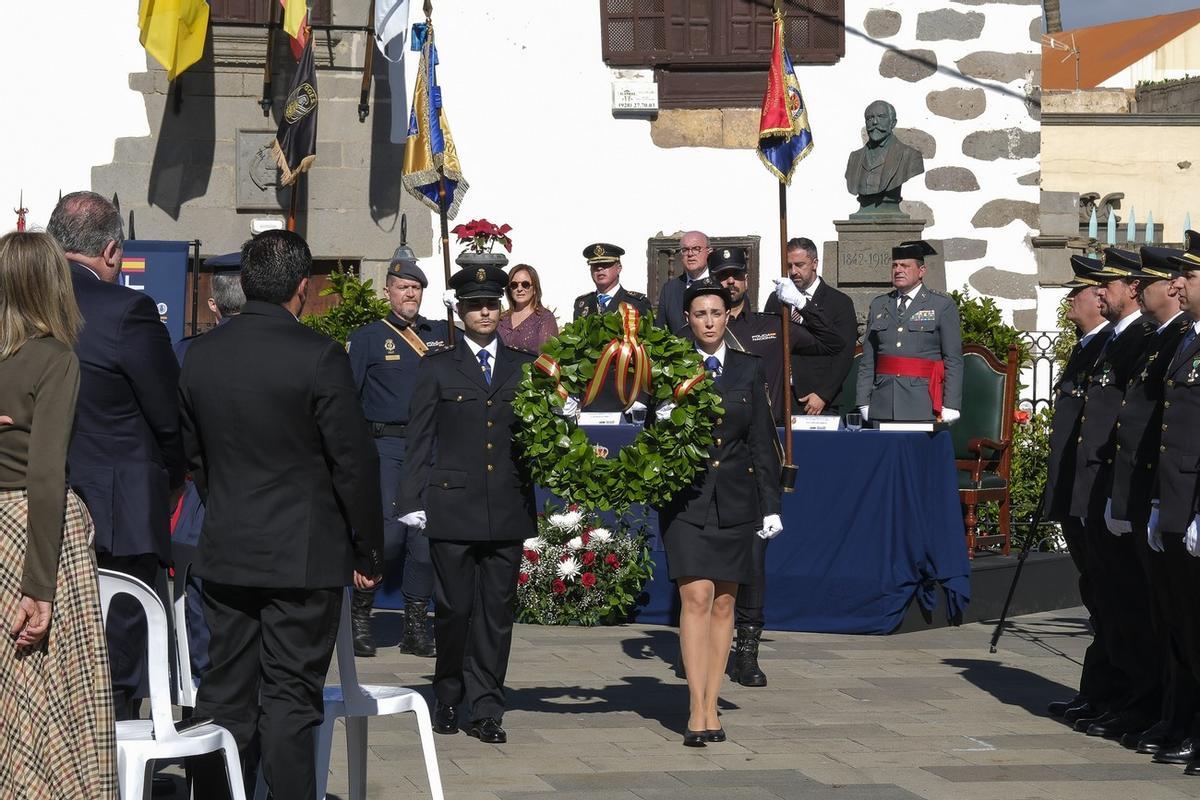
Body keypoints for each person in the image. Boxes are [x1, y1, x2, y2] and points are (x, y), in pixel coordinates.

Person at [179, 230, 384, 799]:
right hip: (304, 555)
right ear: (302, 288)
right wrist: (368, 548)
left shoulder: (200, 356)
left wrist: (228, 509)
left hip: (228, 548)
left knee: (225, 692)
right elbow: (353, 463)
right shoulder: (319, 355)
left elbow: (195, 458)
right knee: (292, 698)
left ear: (244, 284)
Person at [47, 190, 186, 720]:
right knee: (115, 661)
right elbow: (168, 413)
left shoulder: (17, 304)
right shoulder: (127, 309)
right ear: (111, 252)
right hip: (117, 514)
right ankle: (120, 774)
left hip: (36, 506)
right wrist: (173, 477)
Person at [396, 264, 538, 745]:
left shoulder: (525, 366)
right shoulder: (438, 365)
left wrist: (564, 410)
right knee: (454, 609)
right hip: (452, 507)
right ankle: (449, 694)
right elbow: (420, 438)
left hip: (506, 508)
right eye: (475, 304)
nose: (484, 312)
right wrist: (410, 498)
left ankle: (486, 707)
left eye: (491, 304)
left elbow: (541, 438)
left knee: (496, 614)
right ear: (460, 310)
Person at [0, 231, 116, 798]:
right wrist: (39, 589)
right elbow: (46, 475)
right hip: (36, 536)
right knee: (50, 698)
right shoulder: (55, 358)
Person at [656, 279, 782, 746]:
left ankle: (713, 705)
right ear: (687, 319)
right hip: (687, 500)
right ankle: (696, 707)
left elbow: (761, 442)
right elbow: (650, 429)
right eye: (699, 314)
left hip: (736, 500)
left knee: (726, 601)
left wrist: (771, 505)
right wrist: (660, 414)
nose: (709, 321)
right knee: (695, 597)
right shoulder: (671, 364)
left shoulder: (748, 370)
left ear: (728, 316)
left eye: (716, 313)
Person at [1106, 246, 1194, 755]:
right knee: (1167, 615)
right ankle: (1171, 715)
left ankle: (1182, 718)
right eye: (1175, 278)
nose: (1178, 286)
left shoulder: (1177, 339)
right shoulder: (1171, 343)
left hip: (1179, 496)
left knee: (1183, 616)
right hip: (1158, 494)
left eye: (1186, 277)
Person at [1068, 248, 1159, 741]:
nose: (1100, 293)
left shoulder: (1141, 340)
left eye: (1110, 284)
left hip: (1121, 491)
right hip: (1093, 490)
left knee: (1131, 603)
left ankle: (1139, 699)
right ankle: (1109, 693)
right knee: (1104, 599)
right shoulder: (1108, 342)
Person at [345, 247, 449, 658]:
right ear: (387, 291)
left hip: (428, 447)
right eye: (403, 287)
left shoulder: (439, 335)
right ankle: (361, 615)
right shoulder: (370, 338)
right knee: (386, 536)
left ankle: (415, 623)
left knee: (424, 541)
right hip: (384, 446)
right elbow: (349, 398)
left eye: (416, 288)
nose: (410, 294)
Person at [1044, 255, 1118, 727]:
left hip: (1096, 490)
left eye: (1082, 291)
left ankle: (1113, 695)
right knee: (1096, 594)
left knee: (1112, 597)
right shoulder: (1087, 345)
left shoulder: (1112, 345)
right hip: (1075, 489)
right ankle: (1098, 692)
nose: (1072, 298)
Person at [172, 252, 247, 681]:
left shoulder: (189, 353)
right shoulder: (288, 349)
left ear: (213, 302)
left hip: (200, 505)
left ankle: (202, 723)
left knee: (198, 636)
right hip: (262, 510)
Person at [1152, 241, 1200, 772]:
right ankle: (1185, 721)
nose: (1178, 285)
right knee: (1184, 623)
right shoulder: (1188, 340)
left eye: (1189, 276)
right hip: (1175, 498)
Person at [714, 247, 843, 423]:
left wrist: (801, 303)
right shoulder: (697, 330)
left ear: (746, 279)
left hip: (766, 430)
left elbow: (833, 343)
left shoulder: (772, 325)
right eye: (723, 276)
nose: (730, 281)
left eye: (736, 274)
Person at [856, 240, 962, 425]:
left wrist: (951, 404)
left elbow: (953, 359)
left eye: (905, 266)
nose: (898, 270)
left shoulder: (941, 305)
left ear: (922, 271)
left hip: (922, 403)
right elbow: (868, 359)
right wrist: (863, 400)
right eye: (895, 266)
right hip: (883, 401)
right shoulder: (879, 304)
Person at [763, 237, 858, 414]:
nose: (793, 271)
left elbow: (844, 354)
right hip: (781, 397)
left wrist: (824, 394)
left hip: (817, 399)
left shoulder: (839, 302)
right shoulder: (776, 299)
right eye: (789, 265)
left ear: (814, 263)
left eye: (800, 265)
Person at [844, 100, 925, 213]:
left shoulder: (909, 155)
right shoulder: (854, 158)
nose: (875, 122)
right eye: (870, 118)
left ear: (893, 123)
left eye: (881, 117)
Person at [573, 242, 652, 320]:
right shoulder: (582, 304)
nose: (600, 268)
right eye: (595, 265)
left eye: (605, 264)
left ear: (619, 268)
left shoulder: (636, 303)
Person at [656, 230, 712, 334]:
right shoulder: (669, 290)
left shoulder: (721, 283)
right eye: (685, 250)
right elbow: (660, 332)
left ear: (708, 251)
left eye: (696, 249)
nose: (690, 254)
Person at [499, 263, 558, 352]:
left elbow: (547, 358)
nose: (519, 289)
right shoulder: (501, 318)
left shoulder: (545, 318)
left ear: (534, 289)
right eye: (514, 285)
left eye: (525, 284)